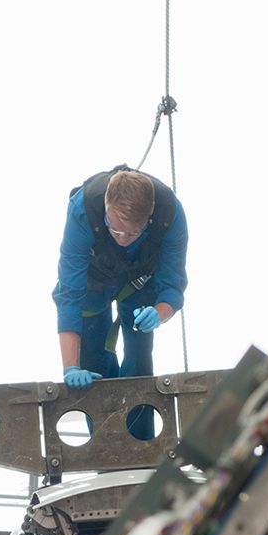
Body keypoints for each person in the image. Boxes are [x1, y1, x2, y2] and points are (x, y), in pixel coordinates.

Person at [51, 166, 187, 439]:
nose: (122, 240)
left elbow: (172, 286)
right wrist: (70, 367)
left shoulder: (170, 216)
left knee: (139, 361)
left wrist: (158, 314)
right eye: (115, 230)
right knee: (92, 365)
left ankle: (139, 447)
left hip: (141, 282)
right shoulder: (84, 211)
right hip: (92, 282)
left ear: (148, 218)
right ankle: (106, 445)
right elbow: (69, 296)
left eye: (131, 233)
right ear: (105, 207)